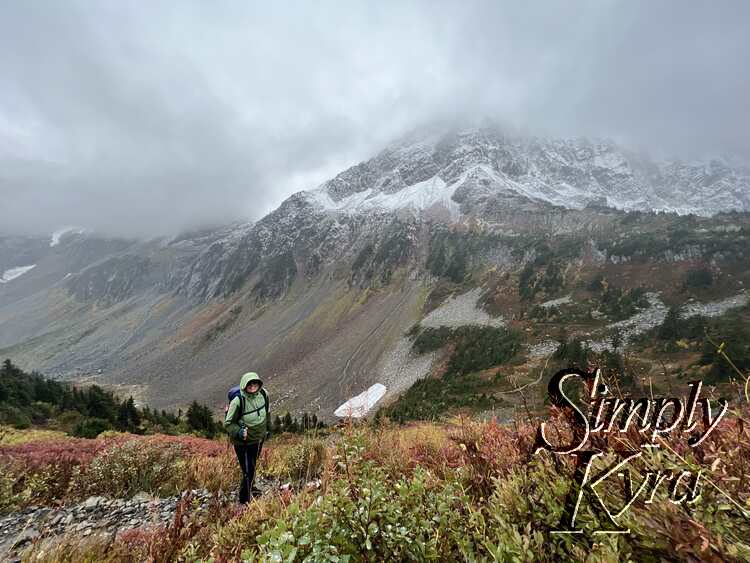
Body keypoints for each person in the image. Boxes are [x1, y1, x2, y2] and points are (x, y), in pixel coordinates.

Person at [224, 372, 270, 503]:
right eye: (249, 384)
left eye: (255, 383)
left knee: (252, 466)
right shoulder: (238, 401)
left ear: (259, 384)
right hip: (242, 443)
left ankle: (251, 487)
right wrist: (239, 432)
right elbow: (228, 423)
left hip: (258, 439)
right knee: (248, 470)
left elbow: (267, 414)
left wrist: (268, 430)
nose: (252, 386)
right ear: (244, 385)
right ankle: (244, 500)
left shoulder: (263, 395)